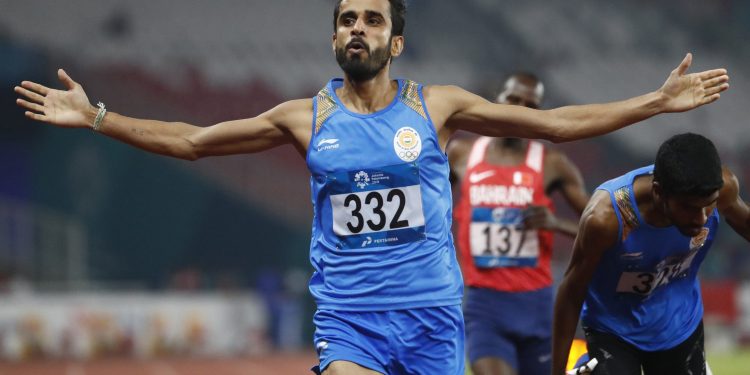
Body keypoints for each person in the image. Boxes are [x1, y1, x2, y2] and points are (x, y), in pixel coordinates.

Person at [13, 0, 729, 373]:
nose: (358, 28)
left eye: (372, 20)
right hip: (352, 318)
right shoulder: (304, 116)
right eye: (346, 20)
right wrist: (99, 115)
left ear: (396, 43)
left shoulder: (437, 106)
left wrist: (653, 102)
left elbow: (559, 126)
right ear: (334, 40)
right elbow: (195, 142)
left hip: (435, 321)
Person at [551, 133, 749, 375]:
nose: (701, 219)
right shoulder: (606, 218)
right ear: (658, 192)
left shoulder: (723, 187)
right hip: (613, 329)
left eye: (709, 204)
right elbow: (571, 292)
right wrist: (555, 370)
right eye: (688, 208)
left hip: (679, 326)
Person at [448, 73, 589, 375]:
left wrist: (556, 224)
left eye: (530, 105)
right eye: (513, 99)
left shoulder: (552, 163)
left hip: (537, 306)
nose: (520, 109)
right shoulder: (462, 156)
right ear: (496, 99)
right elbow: (427, 211)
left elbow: (603, 227)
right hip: (484, 306)